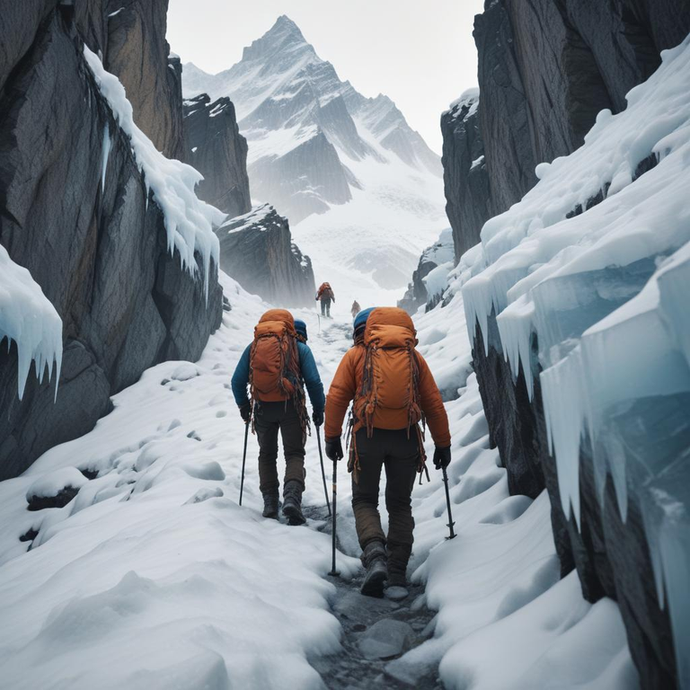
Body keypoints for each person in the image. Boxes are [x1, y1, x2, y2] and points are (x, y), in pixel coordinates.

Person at [324, 307, 451, 598]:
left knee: (365, 499)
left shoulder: (356, 356)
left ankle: (375, 555)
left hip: (367, 437)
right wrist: (443, 443)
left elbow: (337, 396)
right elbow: (433, 402)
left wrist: (332, 437)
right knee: (400, 504)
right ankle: (396, 573)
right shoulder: (414, 358)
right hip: (406, 439)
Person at [232, 309, 325, 525]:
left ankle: (270, 504)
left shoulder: (254, 347)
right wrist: (319, 409)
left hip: (263, 409)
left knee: (267, 454)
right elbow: (313, 382)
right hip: (290, 408)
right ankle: (292, 498)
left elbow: (237, 381)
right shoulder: (300, 348)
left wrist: (244, 407)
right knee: (293, 453)